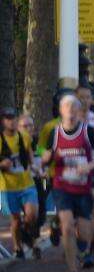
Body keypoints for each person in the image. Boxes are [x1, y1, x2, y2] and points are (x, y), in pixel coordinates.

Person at [43, 95, 94, 272]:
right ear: (61, 111)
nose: (70, 111)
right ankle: (73, 271)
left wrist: (89, 166)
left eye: (74, 107)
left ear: (78, 111)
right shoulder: (55, 133)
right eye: (66, 107)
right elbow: (47, 156)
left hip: (83, 187)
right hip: (62, 187)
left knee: (83, 233)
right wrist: (44, 160)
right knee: (67, 227)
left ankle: (84, 247)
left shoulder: (88, 132)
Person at [1, 106, 40, 259]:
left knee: (32, 214)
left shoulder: (24, 137)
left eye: (13, 119)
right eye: (8, 119)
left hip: (26, 183)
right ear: (3, 121)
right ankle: (18, 248)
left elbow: (30, 157)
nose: (11, 122)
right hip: (8, 186)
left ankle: (29, 237)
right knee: (15, 220)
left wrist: (36, 169)